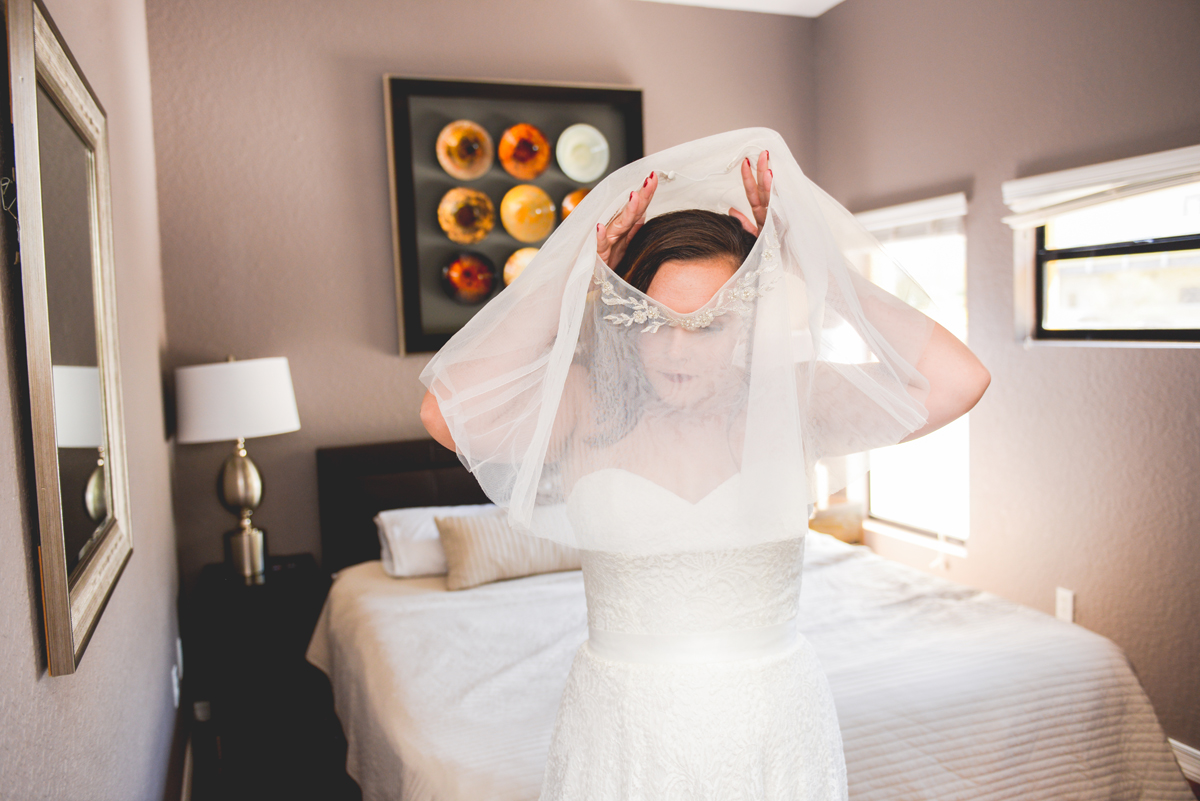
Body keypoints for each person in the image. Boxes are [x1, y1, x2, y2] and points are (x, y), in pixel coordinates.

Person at [420, 129, 988, 800]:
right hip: (622, 731)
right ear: (624, 317)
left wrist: (816, 266)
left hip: (774, 726)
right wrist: (577, 270)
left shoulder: (791, 399)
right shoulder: (583, 399)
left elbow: (960, 380)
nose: (677, 349)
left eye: (709, 324)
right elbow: (446, 414)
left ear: (748, 321)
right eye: (655, 317)